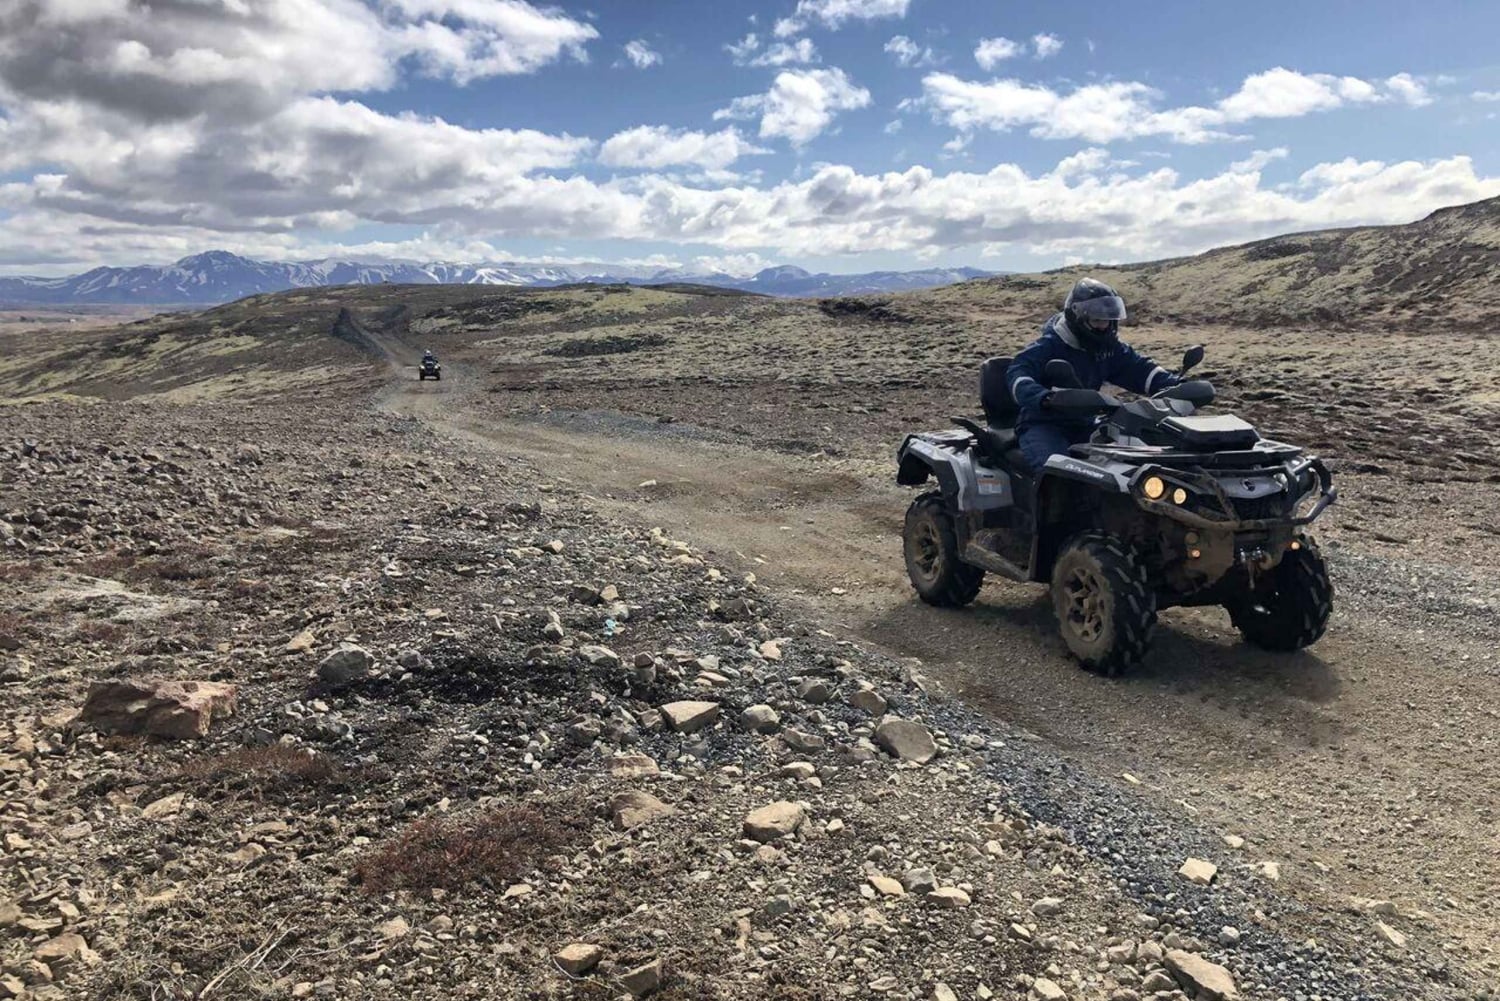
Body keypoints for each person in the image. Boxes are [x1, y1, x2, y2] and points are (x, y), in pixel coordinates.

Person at [1007, 278, 1179, 472]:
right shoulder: (1049, 345)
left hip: (1086, 424)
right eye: (1097, 320)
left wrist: (1176, 385)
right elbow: (1018, 372)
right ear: (1077, 318)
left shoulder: (1108, 349)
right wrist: (1045, 398)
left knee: (1134, 460)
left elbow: (1139, 369)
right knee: (1058, 472)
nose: (1103, 326)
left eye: (1107, 320)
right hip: (1043, 425)